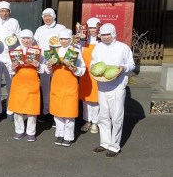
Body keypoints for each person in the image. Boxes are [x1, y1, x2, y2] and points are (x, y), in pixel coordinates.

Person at [91, 23, 135, 158]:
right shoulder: (98, 48)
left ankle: (114, 146)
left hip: (118, 86)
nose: (105, 37)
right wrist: (93, 68)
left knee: (116, 116)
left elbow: (131, 64)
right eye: (103, 35)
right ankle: (104, 142)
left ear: (113, 34)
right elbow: (93, 63)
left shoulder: (123, 48)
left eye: (108, 34)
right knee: (103, 115)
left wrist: (123, 68)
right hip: (102, 85)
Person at [46, 29, 85, 147]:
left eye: (66, 39)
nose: (64, 41)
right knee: (57, 112)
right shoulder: (54, 52)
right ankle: (59, 134)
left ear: (70, 39)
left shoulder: (75, 51)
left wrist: (76, 69)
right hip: (57, 84)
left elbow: (83, 69)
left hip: (70, 85)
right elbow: (48, 71)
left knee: (69, 112)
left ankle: (68, 136)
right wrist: (48, 66)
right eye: (61, 39)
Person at [7, 29, 45, 142]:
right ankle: (19, 130)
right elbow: (10, 69)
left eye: (28, 38)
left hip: (32, 81)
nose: (26, 40)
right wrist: (13, 67)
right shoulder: (15, 51)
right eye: (23, 38)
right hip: (18, 82)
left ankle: (31, 132)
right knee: (17, 108)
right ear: (20, 39)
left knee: (31, 109)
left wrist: (38, 65)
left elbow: (44, 69)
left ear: (32, 39)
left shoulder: (37, 51)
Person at [34, 8, 66, 123]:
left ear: (54, 16)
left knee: (58, 87)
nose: (47, 18)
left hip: (58, 62)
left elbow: (67, 42)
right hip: (43, 62)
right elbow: (35, 44)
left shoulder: (61, 28)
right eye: (45, 16)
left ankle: (58, 112)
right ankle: (46, 111)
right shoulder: (39, 29)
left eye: (49, 16)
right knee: (45, 88)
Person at [78, 17, 101, 134]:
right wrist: (78, 39)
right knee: (86, 99)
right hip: (85, 72)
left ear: (98, 28)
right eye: (90, 28)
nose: (92, 30)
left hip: (97, 73)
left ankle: (95, 122)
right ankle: (87, 121)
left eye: (94, 27)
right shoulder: (83, 40)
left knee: (96, 99)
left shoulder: (101, 41)